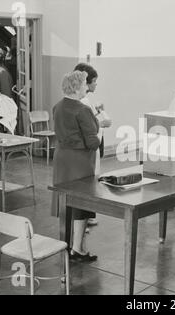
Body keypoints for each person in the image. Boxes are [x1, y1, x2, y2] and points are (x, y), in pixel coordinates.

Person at [52, 71, 101, 262]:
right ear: (76, 87)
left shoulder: (57, 107)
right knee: (82, 204)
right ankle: (77, 248)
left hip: (62, 158)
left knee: (66, 202)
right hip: (79, 161)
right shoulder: (82, 110)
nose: (86, 88)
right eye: (83, 85)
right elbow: (92, 142)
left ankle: (64, 245)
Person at [73, 63, 112, 228]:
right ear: (86, 82)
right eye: (94, 81)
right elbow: (98, 124)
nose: (96, 84)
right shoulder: (84, 101)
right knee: (90, 180)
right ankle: (86, 216)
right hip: (90, 146)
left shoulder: (79, 101)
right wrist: (101, 118)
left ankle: (85, 216)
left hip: (82, 147)